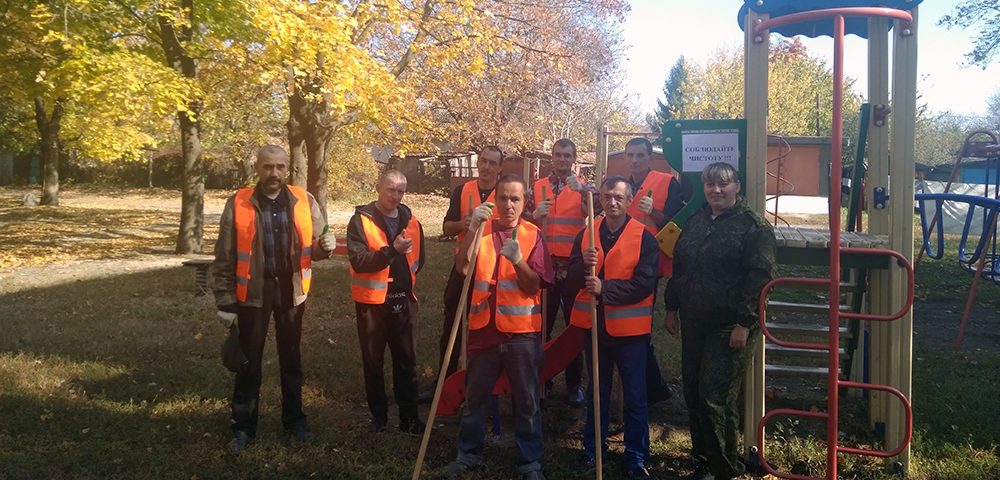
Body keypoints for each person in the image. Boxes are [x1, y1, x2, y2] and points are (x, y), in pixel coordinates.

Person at [212, 145, 336, 454]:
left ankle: (294, 421)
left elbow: (317, 248)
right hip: (252, 295)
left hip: (291, 292)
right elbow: (225, 256)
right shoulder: (238, 202)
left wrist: (327, 246)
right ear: (257, 168)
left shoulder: (304, 201)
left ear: (287, 169)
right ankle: (243, 427)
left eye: (280, 167)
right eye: (268, 167)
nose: (275, 174)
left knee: (291, 360)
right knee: (248, 363)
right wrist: (226, 303)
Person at [663, 162, 776, 480]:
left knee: (716, 398)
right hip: (695, 321)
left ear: (736, 186)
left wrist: (745, 323)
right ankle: (703, 461)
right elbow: (680, 266)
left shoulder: (753, 227)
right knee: (694, 391)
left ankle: (726, 469)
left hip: (730, 327)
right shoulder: (697, 220)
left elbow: (761, 278)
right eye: (710, 184)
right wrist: (671, 308)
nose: (717, 190)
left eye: (723, 184)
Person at [443, 174, 553, 480]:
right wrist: (472, 229)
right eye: (502, 198)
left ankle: (529, 462)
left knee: (527, 400)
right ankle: (468, 454)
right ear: (494, 200)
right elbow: (462, 267)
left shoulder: (533, 235)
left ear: (524, 203)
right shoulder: (482, 231)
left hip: (521, 333)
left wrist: (519, 261)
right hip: (483, 331)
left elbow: (536, 284)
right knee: (475, 398)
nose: (508, 204)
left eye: (515, 199)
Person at [567, 176, 658, 480]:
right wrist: (584, 265)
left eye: (619, 197)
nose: (612, 202)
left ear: (629, 199)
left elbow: (645, 283)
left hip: (632, 333)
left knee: (634, 395)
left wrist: (606, 288)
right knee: (597, 392)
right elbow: (570, 276)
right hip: (595, 329)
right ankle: (594, 450)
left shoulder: (643, 237)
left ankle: (635, 457)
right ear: (600, 199)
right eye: (607, 197)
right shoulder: (587, 233)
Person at [347, 169, 426, 434]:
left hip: (404, 300)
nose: (395, 195)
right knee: (373, 361)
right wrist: (391, 252)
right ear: (378, 186)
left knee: (407, 360)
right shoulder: (361, 220)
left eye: (400, 191)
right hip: (372, 303)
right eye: (390, 189)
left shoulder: (411, 219)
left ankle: (409, 418)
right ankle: (379, 417)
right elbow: (358, 261)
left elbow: (420, 259)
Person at [529, 138, 595, 406]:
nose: (561, 160)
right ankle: (543, 380)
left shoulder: (584, 187)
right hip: (545, 264)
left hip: (573, 267)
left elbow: (594, 212)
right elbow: (525, 219)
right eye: (557, 155)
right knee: (542, 325)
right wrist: (535, 215)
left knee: (573, 326)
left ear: (574, 159)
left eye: (567, 155)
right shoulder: (539, 186)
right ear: (551, 158)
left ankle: (573, 384)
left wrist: (583, 193)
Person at [624, 137, 683, 405]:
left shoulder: (666, 182)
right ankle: (653, 388)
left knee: (640, 328)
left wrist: (655, 213)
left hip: (650, 265)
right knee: (627, 327)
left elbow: (675, 224)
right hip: (622, 261)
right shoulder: (621, 186)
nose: (634, 160)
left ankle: (653, 389)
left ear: (650, 157)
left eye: (639, 155)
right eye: (630, 155)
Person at [435, 146, 503, 382]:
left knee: (486, 325)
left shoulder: (504, 194)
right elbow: (446, 227)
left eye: (492, 163)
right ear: (477, 163)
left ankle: (482, 379)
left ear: (499, 168)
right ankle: (445, 379)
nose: (486, 167)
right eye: (483, 161)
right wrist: (462, 225)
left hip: (493, 269)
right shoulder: (463, 190)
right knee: (453, 321)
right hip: (463, 265)